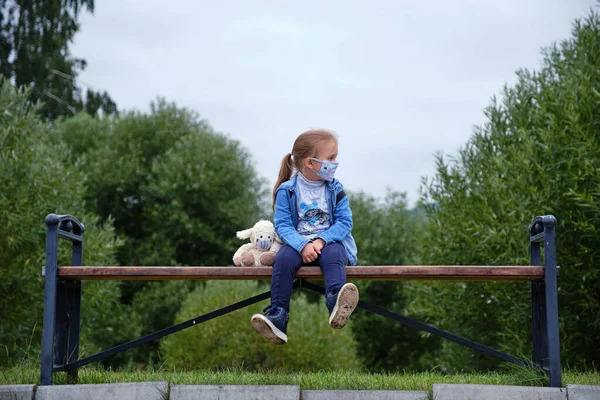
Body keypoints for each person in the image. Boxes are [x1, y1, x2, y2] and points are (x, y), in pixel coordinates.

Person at [251, 129, 359, 344]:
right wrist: (302, 246)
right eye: (331, 158)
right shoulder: (287, 190)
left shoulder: (335, 188)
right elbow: (282, 225)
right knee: (283, 259)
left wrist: (321, 240)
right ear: (310, 162)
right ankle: (278, 316)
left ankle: (336, 301)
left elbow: (345, 222)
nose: (335, 162)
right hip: (298, 245)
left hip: (328, 244)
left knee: (336, 252)